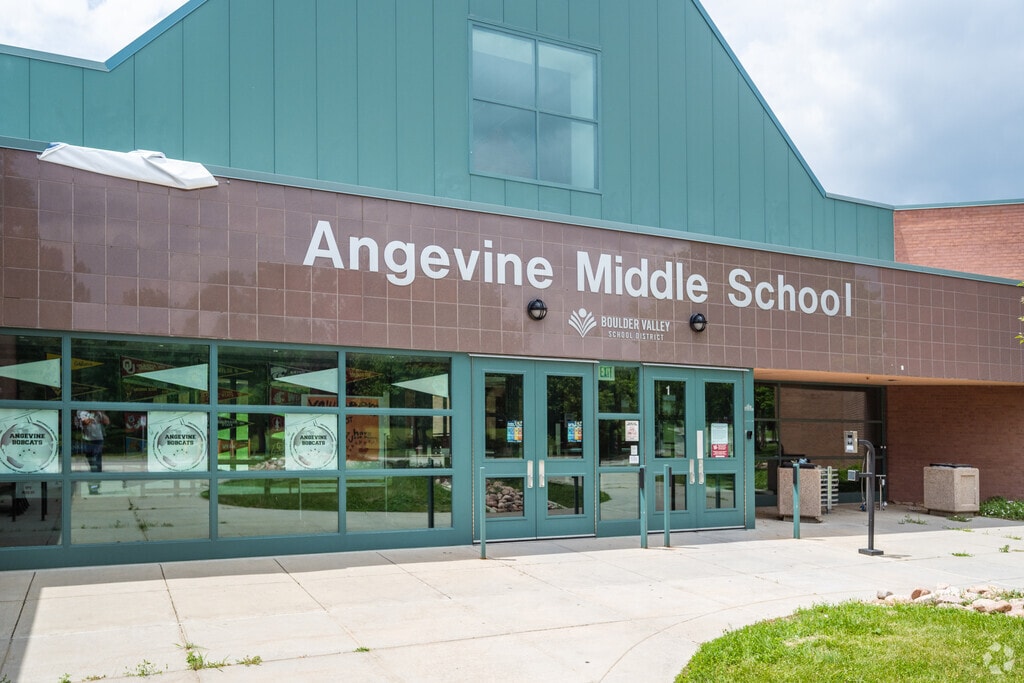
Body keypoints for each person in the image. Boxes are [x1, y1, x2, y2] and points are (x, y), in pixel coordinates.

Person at [77, 410, 109, 494]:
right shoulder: (82, 412)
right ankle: (93, 487)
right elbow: (85, 422)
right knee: (93, 465)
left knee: (98, 465)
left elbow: (107, 421)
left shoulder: (98, 414)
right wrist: (93, 419)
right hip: (88, 441)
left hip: (98, 440)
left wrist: (100, 413)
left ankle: (95, 487)